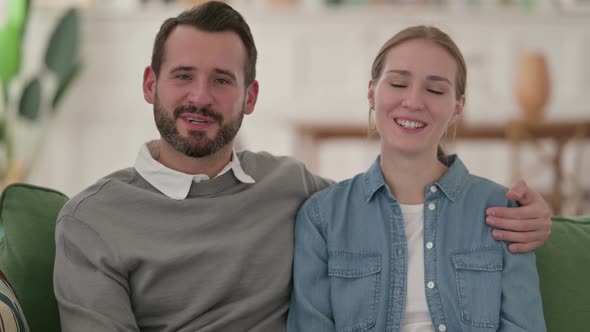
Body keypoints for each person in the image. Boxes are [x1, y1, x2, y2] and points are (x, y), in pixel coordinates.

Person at [53, 2, 550, 332]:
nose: (200, 97)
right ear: (149, 84)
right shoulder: (92, 221)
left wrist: (537, 216)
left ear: (250, 97)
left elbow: (389, 202)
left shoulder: (292, 188)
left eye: (222, 80)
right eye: (183, 76)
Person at [286, 26, 546, 332]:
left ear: (457, 107)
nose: (413, 101)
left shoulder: (504, 213)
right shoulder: (321, 218)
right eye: (398, 83)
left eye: (435, 90)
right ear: (372, 93)